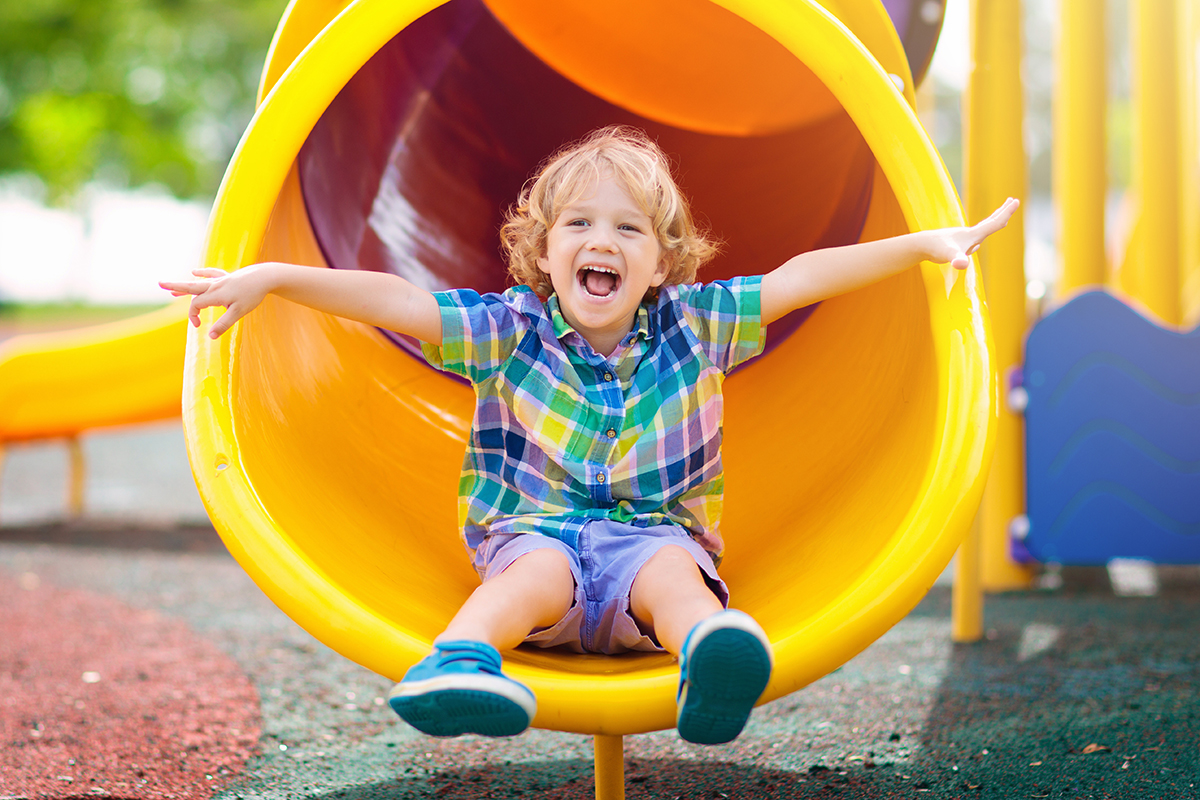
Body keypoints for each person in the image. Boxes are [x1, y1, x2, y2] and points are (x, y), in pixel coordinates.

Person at [162, 126, 1018, 746]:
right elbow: (398, 301)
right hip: (538, 541)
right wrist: (272, 277)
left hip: (651, 540)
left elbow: (802, 278)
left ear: (663, 262)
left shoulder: (697, 322)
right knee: (533, 567)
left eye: (627, 229)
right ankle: (458, 663)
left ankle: (711, 656)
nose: (599, 241)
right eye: (577, 225)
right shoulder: (509, 328)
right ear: (543, 252)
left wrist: (921, 244)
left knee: (675, 574)